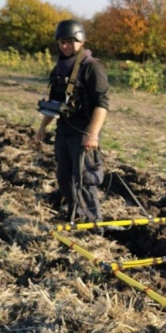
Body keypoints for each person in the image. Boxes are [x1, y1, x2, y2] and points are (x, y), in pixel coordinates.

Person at [34, 19, 109, 223]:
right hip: (63, 132)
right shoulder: (59, 68)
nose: (65, 46)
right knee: (64, 179)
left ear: (80, 41)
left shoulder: (92, 68)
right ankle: (75, 215)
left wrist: (92, 134)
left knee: (85, 180)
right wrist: (42, 127)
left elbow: (102, 104)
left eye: (69, 42)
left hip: (83, 134)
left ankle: (94, 226)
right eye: (61, 42)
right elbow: (54, 102)